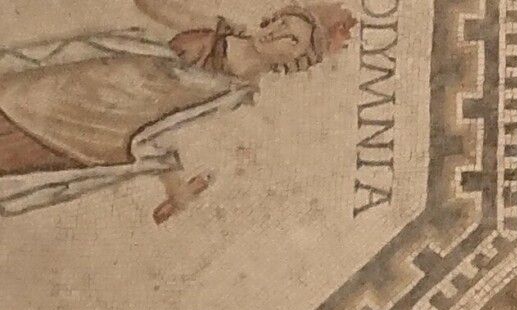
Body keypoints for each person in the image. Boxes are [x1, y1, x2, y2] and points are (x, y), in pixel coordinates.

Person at [0, 0, 353, 222]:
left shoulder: (236, 98)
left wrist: (175, 187)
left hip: (97, 138)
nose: (276, 33)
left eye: (291, 39)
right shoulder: (216, 29)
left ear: (294, 62)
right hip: (74, 86)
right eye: (281, 23)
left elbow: (166, 135)